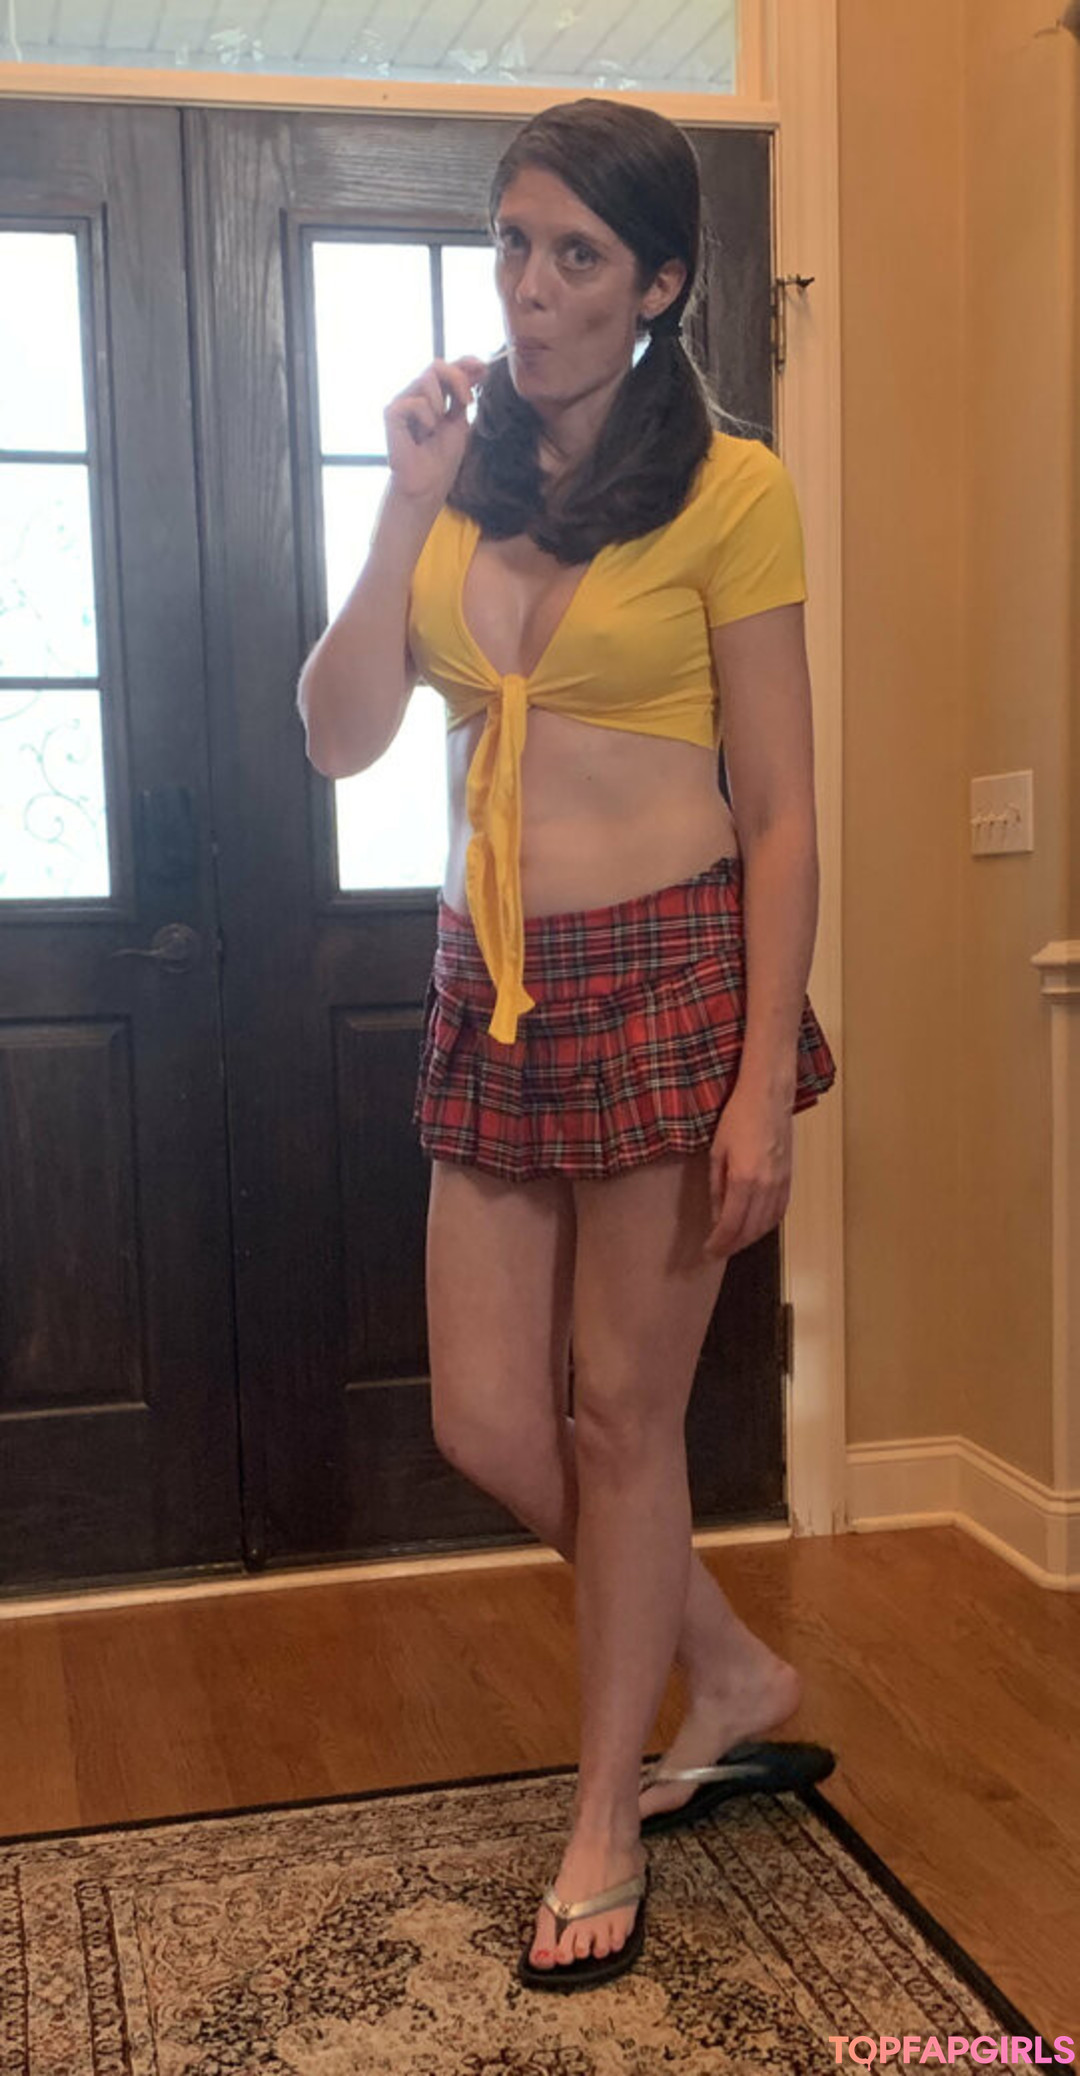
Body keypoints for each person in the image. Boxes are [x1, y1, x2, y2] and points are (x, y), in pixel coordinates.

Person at [299, 97, 837, 1994]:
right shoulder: (459, 475)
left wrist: (762, 1085)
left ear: (658, 284)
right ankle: (729, 1663)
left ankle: (609, 1811)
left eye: (577, 256)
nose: (530, 289)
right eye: (513, 245)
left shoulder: (733, 491)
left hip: (672, 978)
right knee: (488, 1419)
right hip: (493, 986)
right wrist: (400, 500)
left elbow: (780, 811)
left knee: (624, 1420)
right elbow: (340, 734)